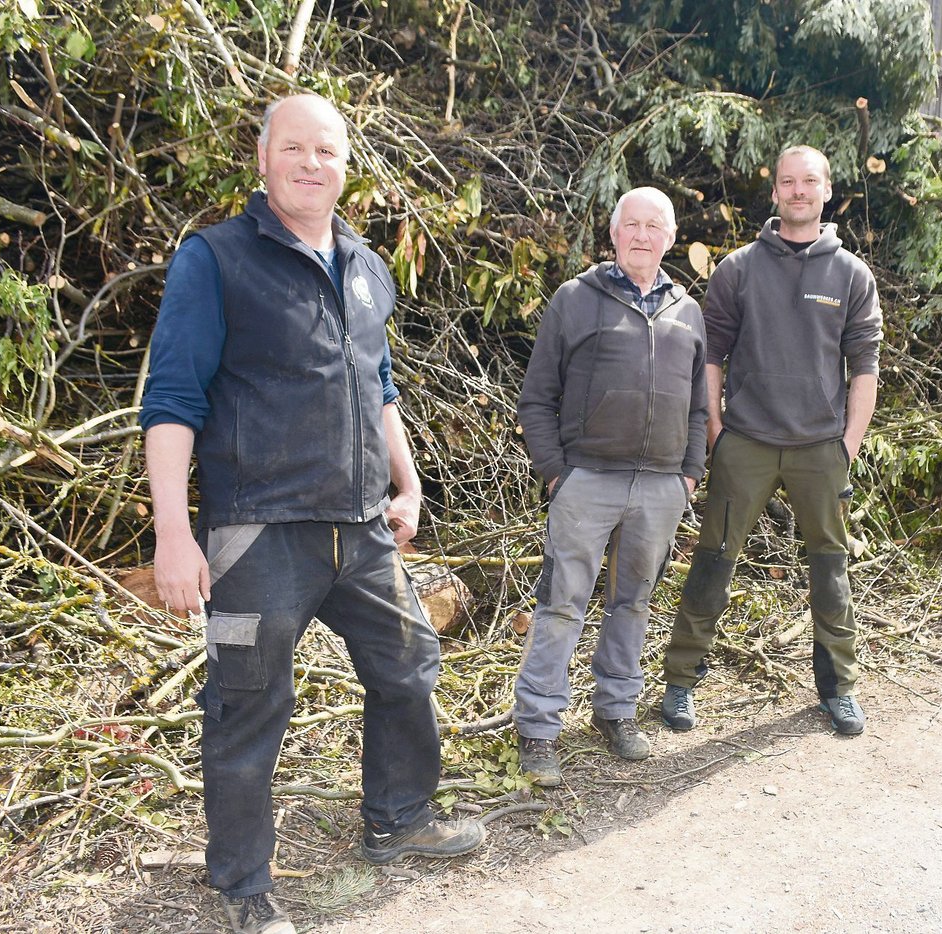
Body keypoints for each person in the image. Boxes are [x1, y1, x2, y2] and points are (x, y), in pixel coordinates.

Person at [140, 94, 483, 934]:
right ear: (263, 159)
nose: (309, 164)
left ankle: (398, 819)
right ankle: (244, 885)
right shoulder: (215, 260)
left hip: (360, 530)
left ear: (344, 165)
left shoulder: (367, 268)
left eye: (325, 151)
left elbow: (380, 390)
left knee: (408, 663)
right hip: (255, 533)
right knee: (246, 700)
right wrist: (175, 535)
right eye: (292, 148)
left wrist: (406, 485)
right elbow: (172, 401)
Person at [659, 145, 882, 736]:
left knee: (831, 569)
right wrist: (716, 430)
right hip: (747, 443)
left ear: (827, 191)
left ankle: (839, 689)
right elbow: (711, 355)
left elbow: (865, 367)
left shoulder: (851, 274)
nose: (799, 191)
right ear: (776, 192)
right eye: (789, 182)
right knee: (712, 563)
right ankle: (680, 683)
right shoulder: (738, 269)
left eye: (810, 181)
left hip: (820, 450)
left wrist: (847, 445)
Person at [514, 187, 709, 785]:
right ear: (614, 232)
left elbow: (700, 407)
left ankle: (617, 711)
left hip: (659, 487)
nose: (643, 236)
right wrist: (557, 472)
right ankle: (538, 729)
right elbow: (537, 397)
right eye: (632, 225)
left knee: (633, 601)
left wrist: (688, 473)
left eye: (655, 227)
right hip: (587, 482)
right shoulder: (575, 300)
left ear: (671, 238)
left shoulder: (688, 312)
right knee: (562, 603)